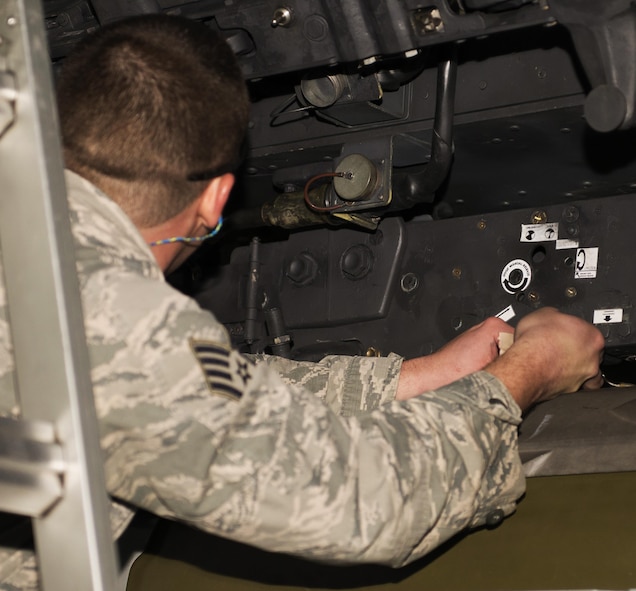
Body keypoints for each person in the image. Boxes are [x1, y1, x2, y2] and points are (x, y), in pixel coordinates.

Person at [0, 13, 604, 590]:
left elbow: (208, 395)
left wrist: (427, 376)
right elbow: (366, 500)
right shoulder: (113, 320)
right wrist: (528, 373)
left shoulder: (55, 285)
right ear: (216, 199)